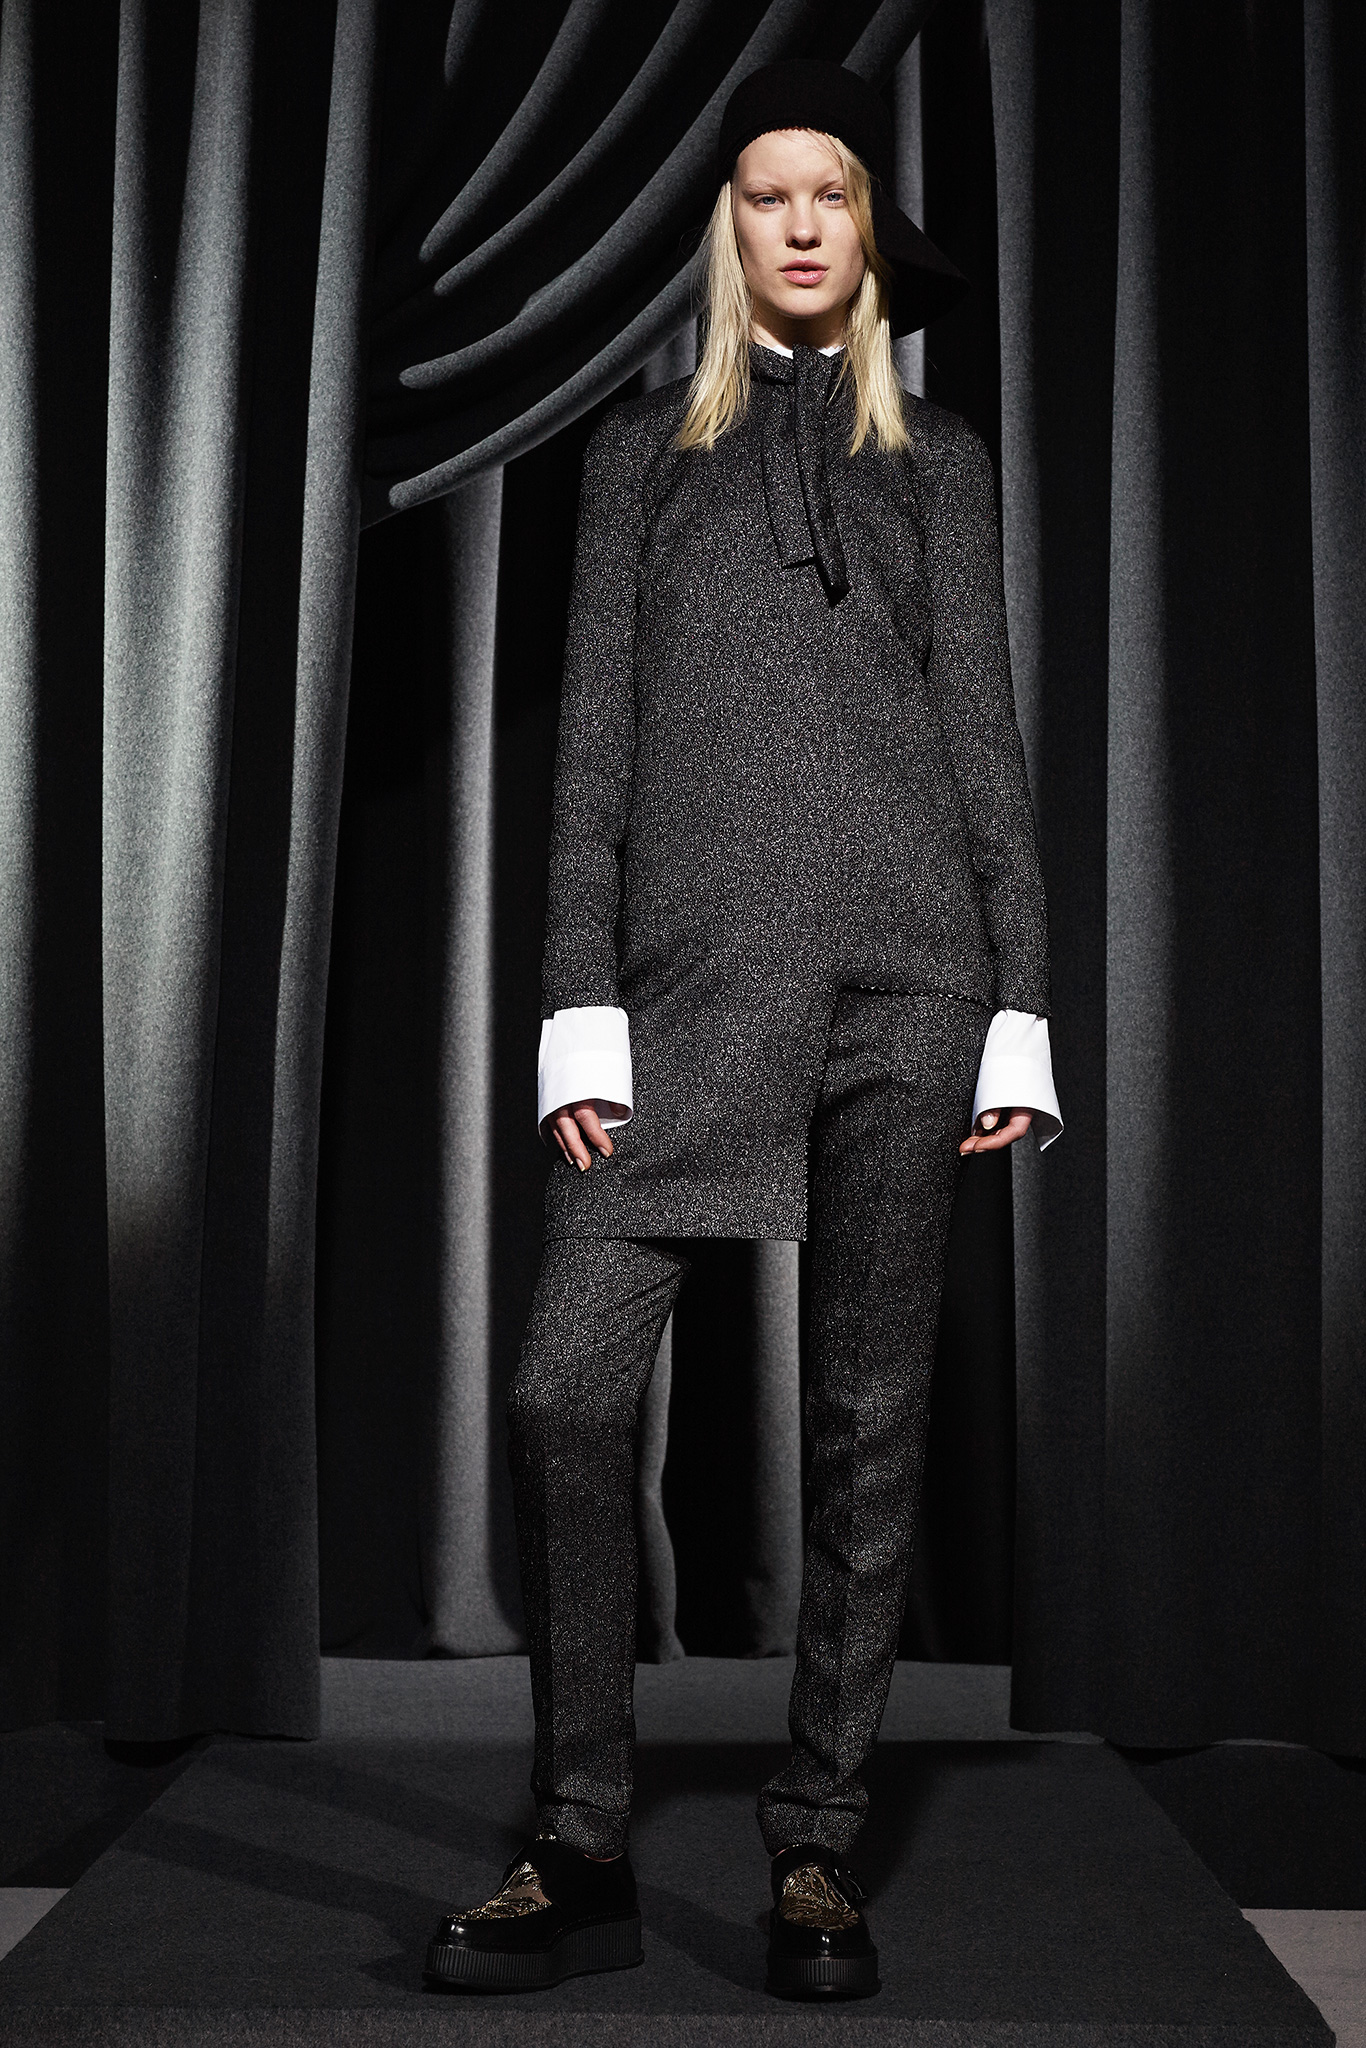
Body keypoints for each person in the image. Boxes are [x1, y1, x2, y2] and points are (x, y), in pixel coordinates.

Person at [424, 57, 1062, 2004]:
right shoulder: (640, 457)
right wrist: (577, 1007)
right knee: (565, 1390)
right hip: (688, 998)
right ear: (726, 223)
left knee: (865, 1424)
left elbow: (981, 739)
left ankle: (815, 1843)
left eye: (830, 193)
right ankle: (578, 1837)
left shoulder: (936, 460)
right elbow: (592, 757)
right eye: (767, 193)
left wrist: (1017, 1002)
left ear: (866, 229)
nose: (797, 223)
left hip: (906, 988)